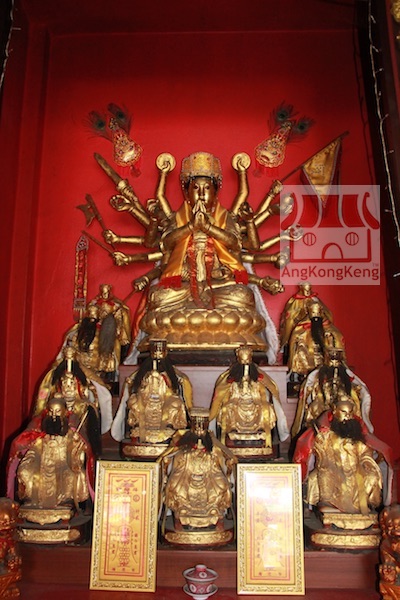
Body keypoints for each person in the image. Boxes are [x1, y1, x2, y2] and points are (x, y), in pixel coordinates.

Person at [293, 396, 393, 515]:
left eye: (350, 413)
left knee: (371, 476)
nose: (347, 416)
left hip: (356, 468)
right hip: (332, 466)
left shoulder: (358, 433)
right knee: (326, 474)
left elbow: (365, 453)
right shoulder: (325, 433)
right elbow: (313, 450)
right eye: (343, 412)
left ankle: (365, 507)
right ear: (335, 411)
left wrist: (366, 463)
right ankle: (329, 504)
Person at [157, 407, 236, 541]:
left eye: (202, 424)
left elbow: (219, 464)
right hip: (187, 474)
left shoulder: (212, 442)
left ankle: (214, 511)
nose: (199, 428)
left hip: (209, 475)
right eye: (196, 424)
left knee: (222, 486)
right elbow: (176, 462)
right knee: (175, 485)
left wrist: (218, 459)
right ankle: (182, 511)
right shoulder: (183, 441)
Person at [8, 396, 95, 517]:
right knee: (25, 472)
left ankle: (65, 502)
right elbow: (32, 446)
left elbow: (82, 449)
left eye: (58, 411)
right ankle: (31, 501)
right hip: (40, 460)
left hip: (63, 461)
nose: (54, 415)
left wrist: (77, 442)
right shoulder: (39, 426)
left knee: (69, 476)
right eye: (51, 411)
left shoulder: (71, 428)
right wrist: (28, 458)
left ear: (64, 412)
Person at [111, 339, 193, 455]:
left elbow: (175, 387)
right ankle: (139, 430)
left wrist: (165, 380)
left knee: (176, 404)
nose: (157, 356)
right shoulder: (143, 372)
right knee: (134, 403)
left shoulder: (172, 372)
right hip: (146, 399)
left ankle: (169, 431)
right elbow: (134, 385)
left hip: (165, 399)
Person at [209, 345, 289, 456]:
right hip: (236, 402)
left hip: (254, 402)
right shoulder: (230, 378)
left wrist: (257, 397)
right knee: (227, 408)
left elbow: (265, 392)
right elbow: (225, 393)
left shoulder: (259, 377)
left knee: (265, 408)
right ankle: (233, 431)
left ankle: (261, 433)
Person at [291, 347, 373, 438]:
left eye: (336, 357)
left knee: (353, 405)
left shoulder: (346, 374)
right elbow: (310, 387)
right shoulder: (318, 374)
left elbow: (358, 387)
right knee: (315, 407)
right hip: (323, 396)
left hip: (343, 397)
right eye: (332, 357)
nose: (334, 362)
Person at [286, 299, 346, 382]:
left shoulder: (329, 328)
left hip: (325, 358)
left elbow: (337, 339)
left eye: (318, 315)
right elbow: (294, 340)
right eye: (313, 315)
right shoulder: (301, 327)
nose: (316, 319)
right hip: (307, 357)